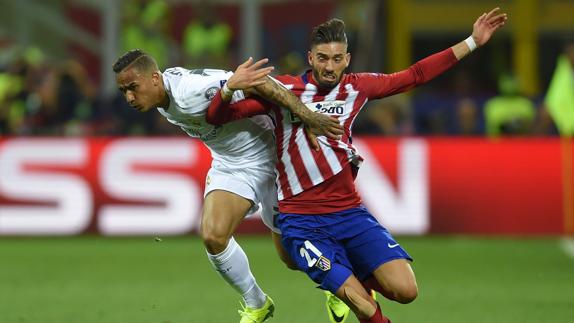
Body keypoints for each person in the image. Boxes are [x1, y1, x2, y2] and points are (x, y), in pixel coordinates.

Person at [206, 8, 507, 323]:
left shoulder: (358, 87)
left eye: (337, 59)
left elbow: (415, 75)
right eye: (323, 58)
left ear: (347, 60)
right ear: (310, 57)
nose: (329, 66)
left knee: (406, 291)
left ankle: (346, 274)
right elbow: (218, 117)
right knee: (363, 306)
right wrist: (227, 89)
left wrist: (473, 41)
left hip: (350, 214)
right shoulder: (283, 91)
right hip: (302, 220)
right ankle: (345, 285)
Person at [112, 49, 342, 323]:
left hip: (271, 157)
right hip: (231, 164)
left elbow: (262, 83)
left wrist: (307, 116)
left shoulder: (192, 91)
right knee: (213, 235)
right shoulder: (164, 91)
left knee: (292, 258)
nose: (129, 97)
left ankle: (340, 282)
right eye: (124, 90)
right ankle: (257, 303)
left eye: (133, 88)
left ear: (153, 78)